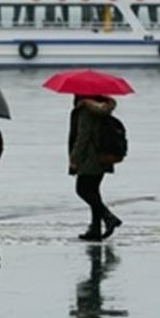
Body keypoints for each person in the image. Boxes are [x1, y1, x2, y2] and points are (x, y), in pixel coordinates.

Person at [69, 96, 123, 241]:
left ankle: (108, 217)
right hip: (103, 155)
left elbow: (83, 136)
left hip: (89, 157)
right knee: (94, 192)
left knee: (82, 190)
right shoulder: (102, 108)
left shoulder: (85, 110)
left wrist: (75, 159)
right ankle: (95, 229)